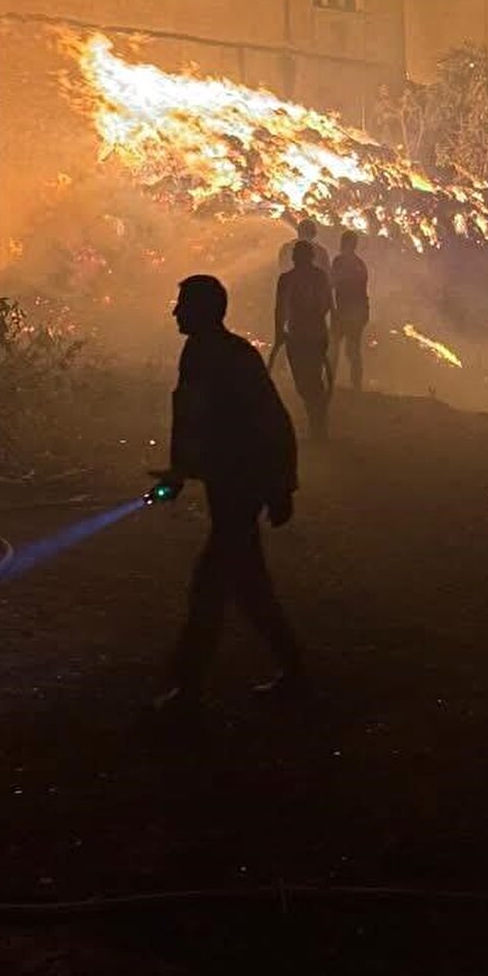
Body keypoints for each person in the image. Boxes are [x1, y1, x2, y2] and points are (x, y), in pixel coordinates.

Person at [152, 274, 303, 713]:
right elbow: (196, 420)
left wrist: (281, 486)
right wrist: (180, 473)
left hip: (242, 487)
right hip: (233, 487)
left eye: (183, 304)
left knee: (210, 587)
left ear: (203, 310)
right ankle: (294, 673)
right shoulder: (201, 353)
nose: (175, 312)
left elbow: (272, 422)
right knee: (250, 587)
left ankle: (188, 691)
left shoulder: (229, 357)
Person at [271, 240, 333, 440]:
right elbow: (325, 305)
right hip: (313, 334)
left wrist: (280, 332)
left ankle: (318, 424)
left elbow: (280, 309)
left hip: (301, 335)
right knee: (311, 379)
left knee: (306, 381)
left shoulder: (288, 279)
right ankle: (318, 421)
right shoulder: (318, 277)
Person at [331, 231, 370, 392]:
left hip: (344, 312)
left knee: (334, 347)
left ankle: (329, 381)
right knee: (353, 349)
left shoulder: (339, 261)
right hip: (358, 312)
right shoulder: (360, 264)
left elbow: (333, 282)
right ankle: (356, 386)